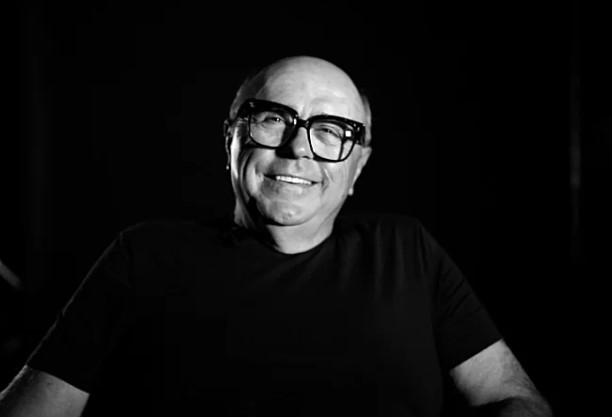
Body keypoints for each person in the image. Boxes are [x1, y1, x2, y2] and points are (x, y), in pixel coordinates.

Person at [0, 56, 552, 417]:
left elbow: (514, 398)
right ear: (231, 140)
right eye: (272, 119)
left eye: (331, 131)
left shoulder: (407, 252)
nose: (297, 149)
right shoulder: (143, 255)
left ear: (358, 166)